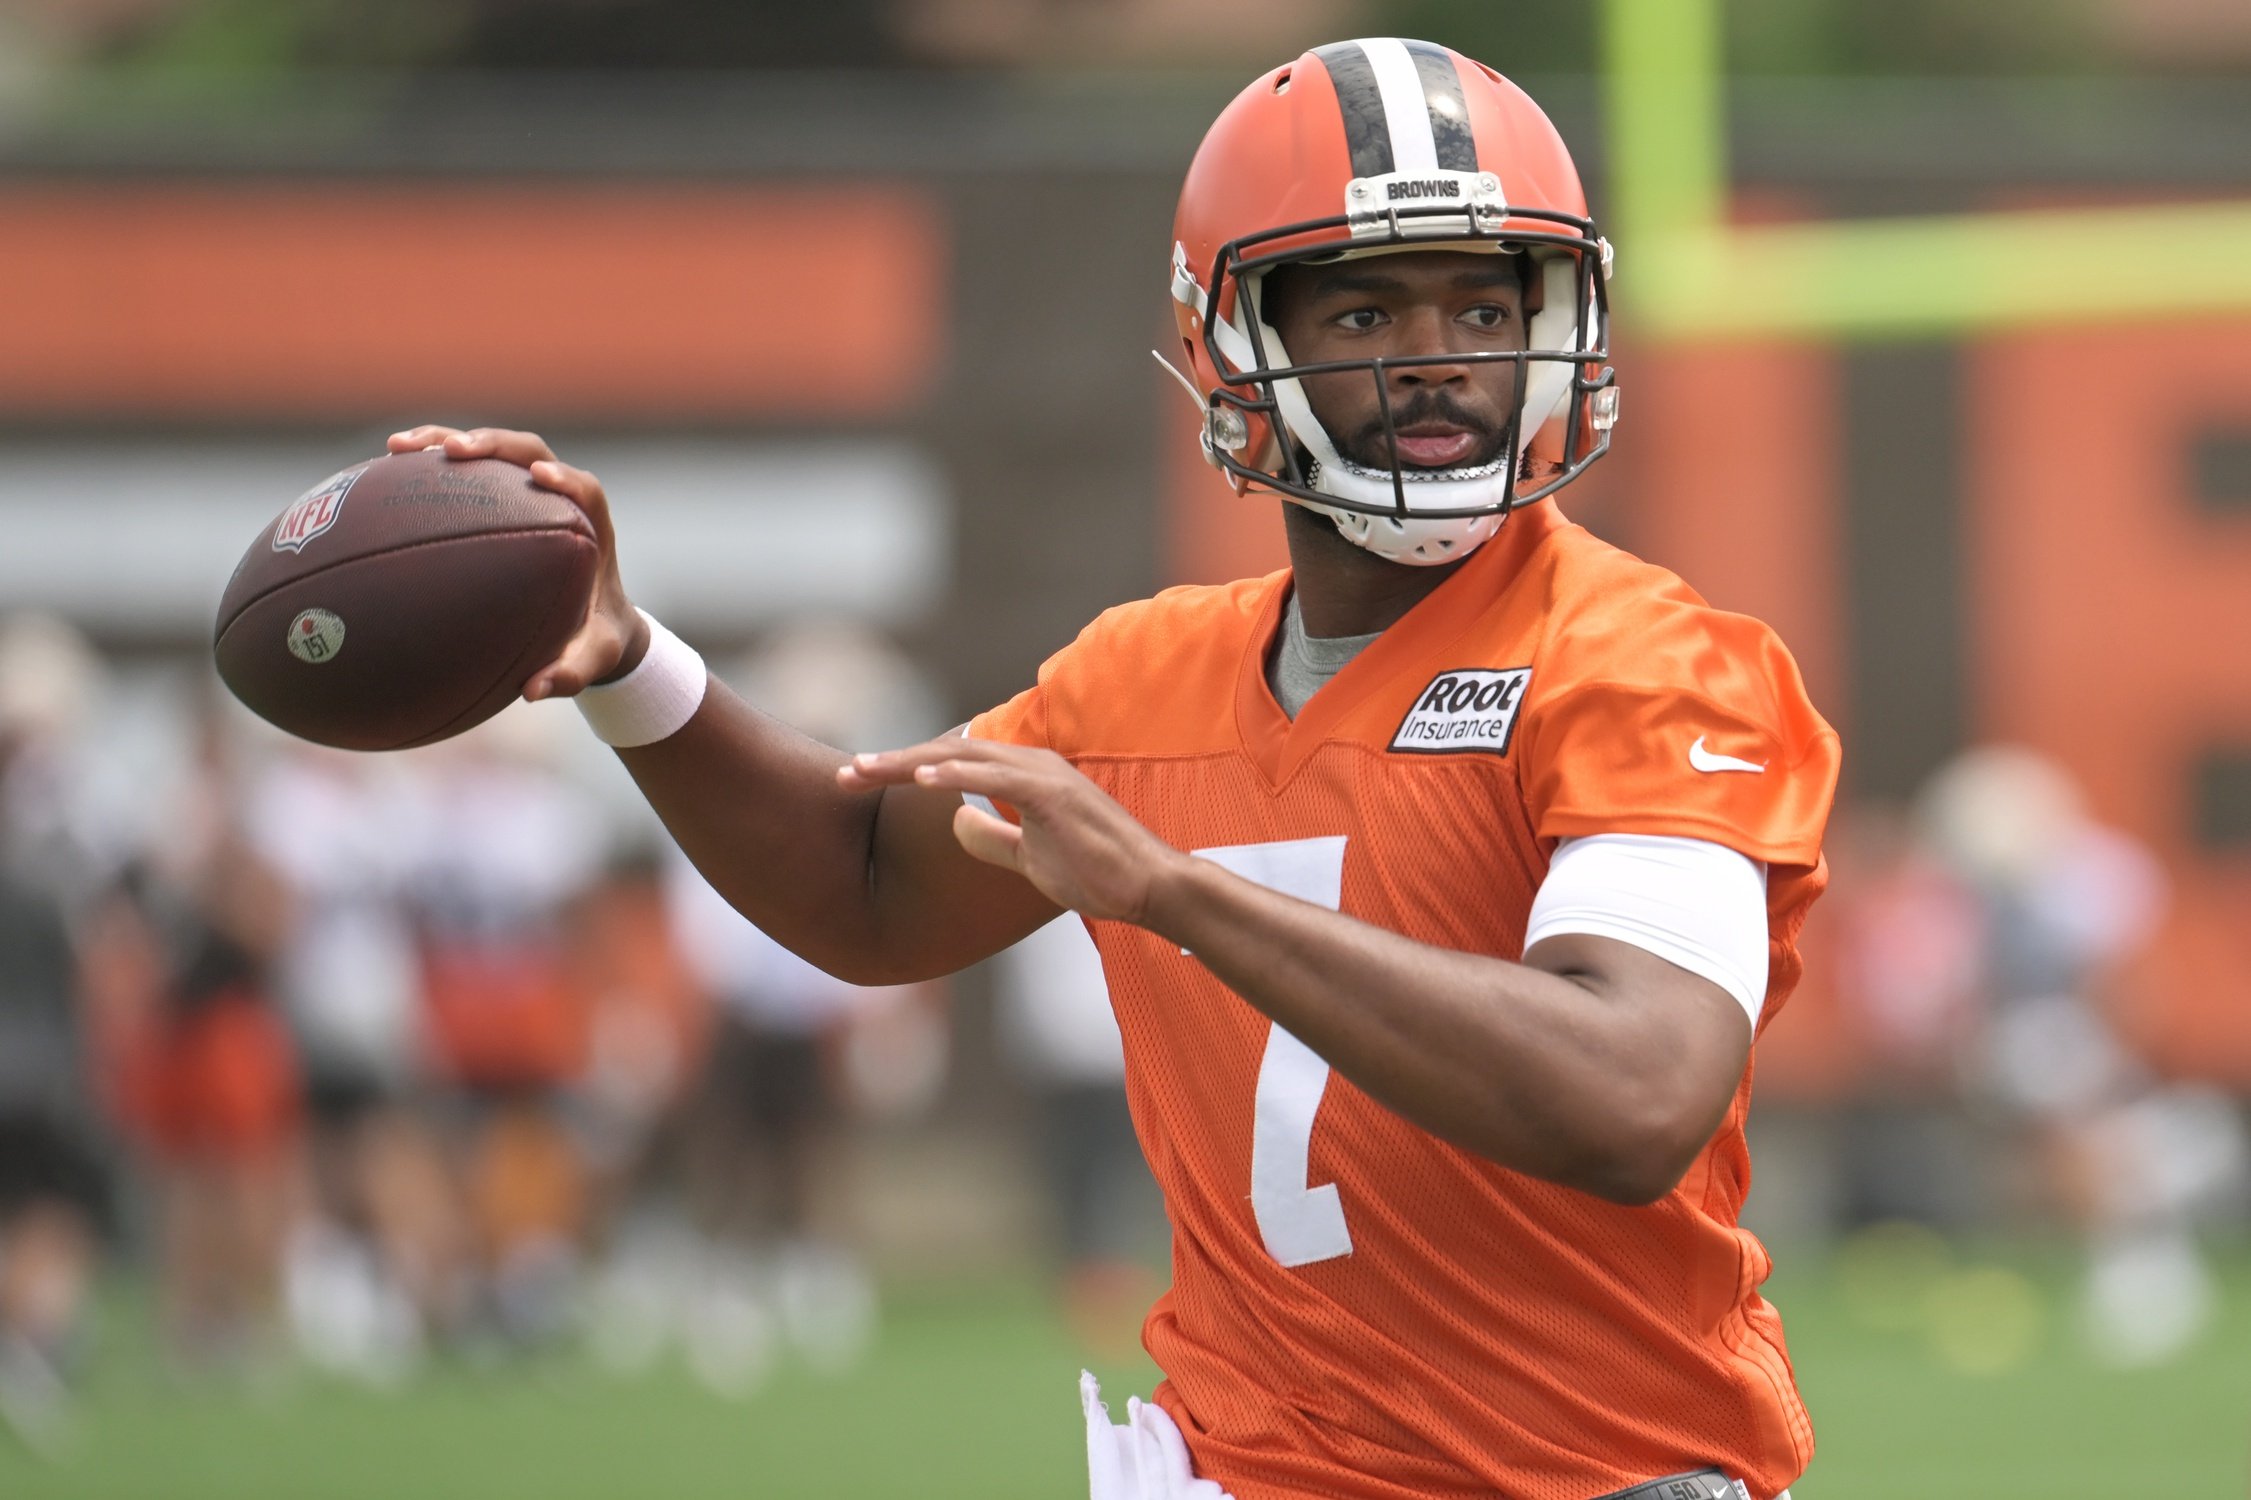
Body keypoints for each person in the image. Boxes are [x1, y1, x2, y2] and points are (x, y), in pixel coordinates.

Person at [387, 37, 1839, 1500]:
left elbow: (1639, 1097)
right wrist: (638, 670)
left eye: (1483, 300)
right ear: (1239, 343)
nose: (1442, 354)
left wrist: (1177, 893)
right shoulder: (1142, 677)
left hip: (1588, 1478)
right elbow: (873, 890)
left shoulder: (1648, 660)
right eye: (1364, 310)